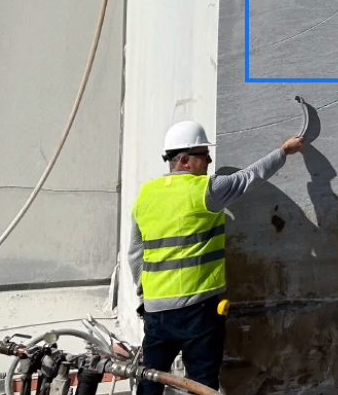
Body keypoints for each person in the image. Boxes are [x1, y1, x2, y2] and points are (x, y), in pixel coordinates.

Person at [128, 121, 305, 395]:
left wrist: (143, 298)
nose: (209, 160)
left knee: (151, 378)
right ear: (185, 160)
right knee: (200, 383)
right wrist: (284, 150)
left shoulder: (145, 195)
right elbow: (251, 176)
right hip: (197, 310)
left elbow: (136, 253)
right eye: (203, 154)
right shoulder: (205, 190)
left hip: (156, 312)